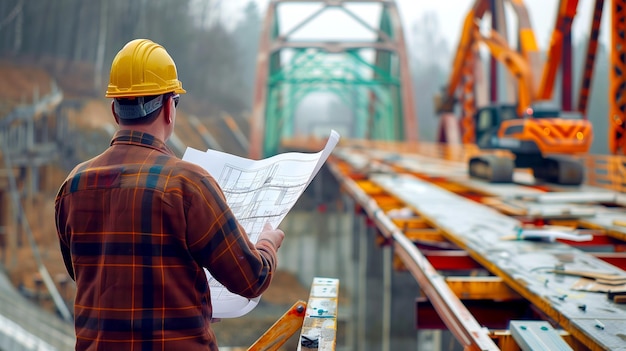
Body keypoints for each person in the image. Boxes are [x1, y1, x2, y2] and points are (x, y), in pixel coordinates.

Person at [54, 38, 285, 351]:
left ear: (114, 109)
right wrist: (268, 243)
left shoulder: (73, 186)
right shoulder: (188, 185)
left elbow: (91, 275)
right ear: (168, 107)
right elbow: (252, 278)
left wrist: (191, 303)